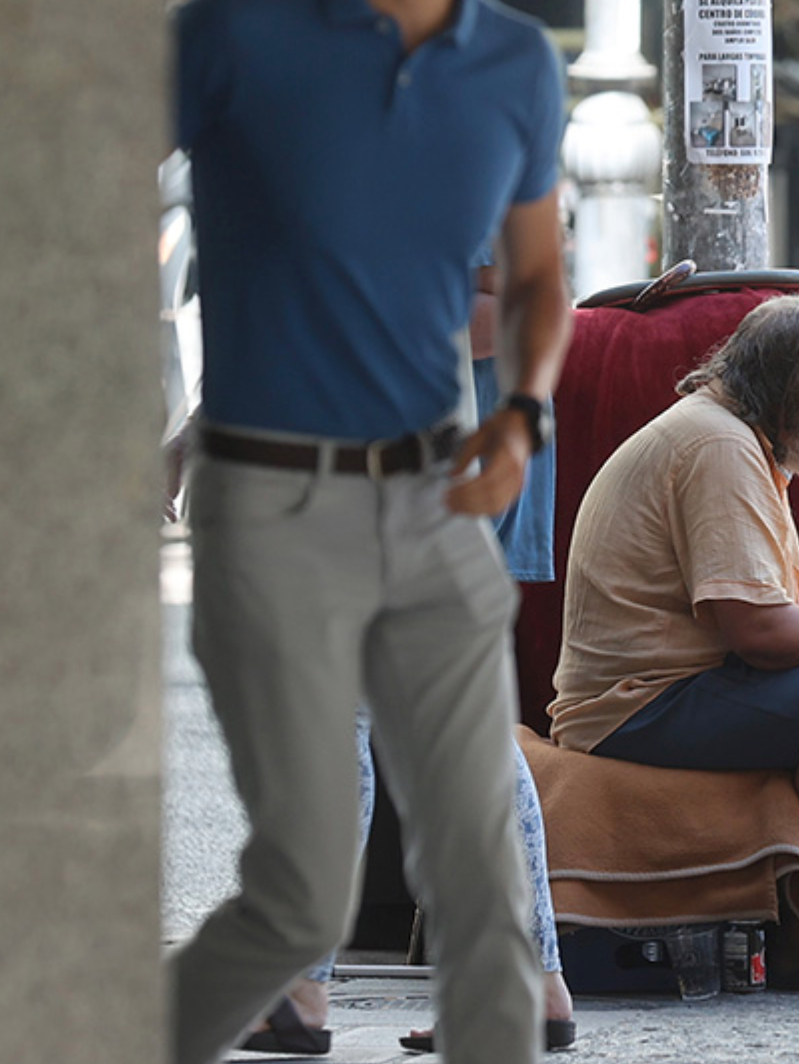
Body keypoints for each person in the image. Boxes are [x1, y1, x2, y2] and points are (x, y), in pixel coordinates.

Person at [167, 0, 570, 1060]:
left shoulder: (514, 65)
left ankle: (490, 989)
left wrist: (523, 413)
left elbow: (529, 280)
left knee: (474, 843)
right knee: (308, 877)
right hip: (277, 487)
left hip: (437, 478)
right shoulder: (234, 37)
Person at [547, 294, 799, 994]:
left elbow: (796, 602)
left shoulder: (734, 441)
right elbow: (753, 627)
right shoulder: (718, 444)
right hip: (635, 708)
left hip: (676, 691)